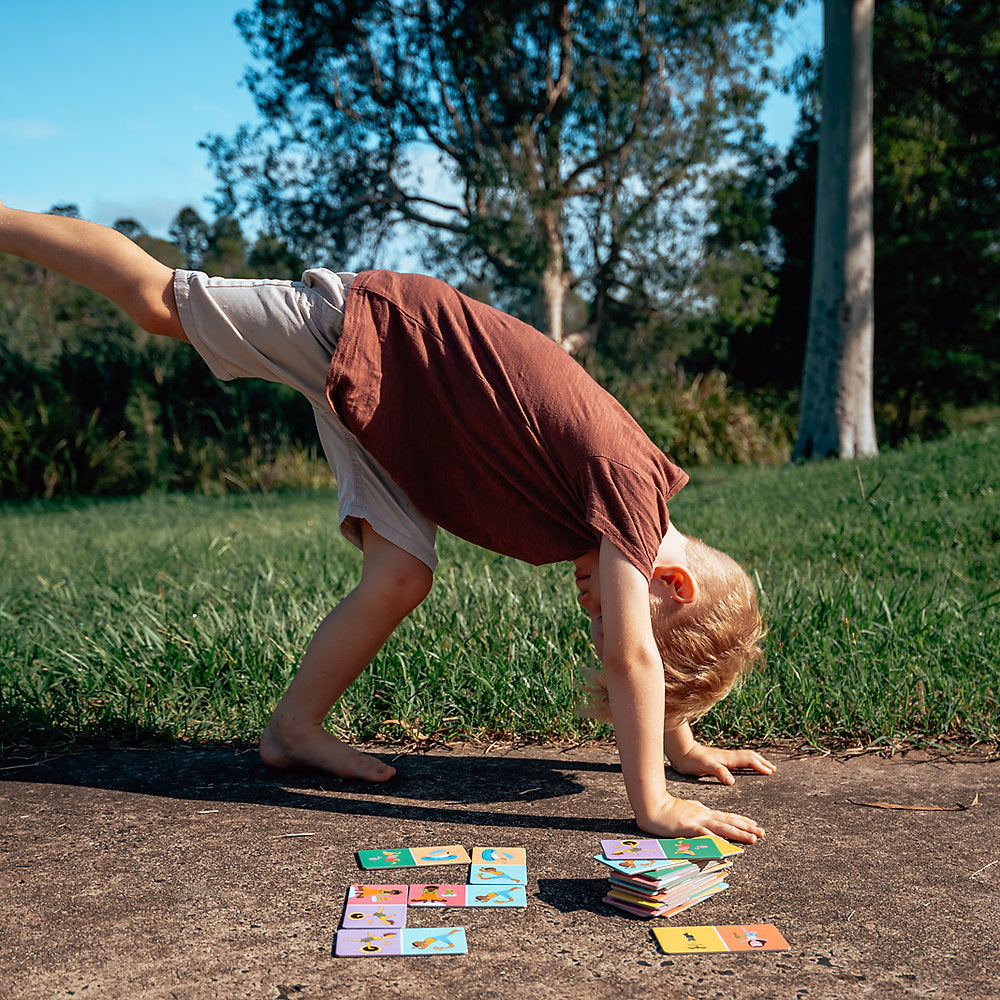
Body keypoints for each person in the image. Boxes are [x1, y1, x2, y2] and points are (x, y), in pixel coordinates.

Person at [0, 201, 776, 842]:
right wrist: (655, 805)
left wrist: (681, 741)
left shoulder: (628, 522)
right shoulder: (629, 492)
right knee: (155, 301)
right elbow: (637, 660)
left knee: (400, 575)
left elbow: (647, 654)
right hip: (367, 333)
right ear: (667, 582)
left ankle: (292, 730)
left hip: (400, 421)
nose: (597, 613)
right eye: (610, 614)